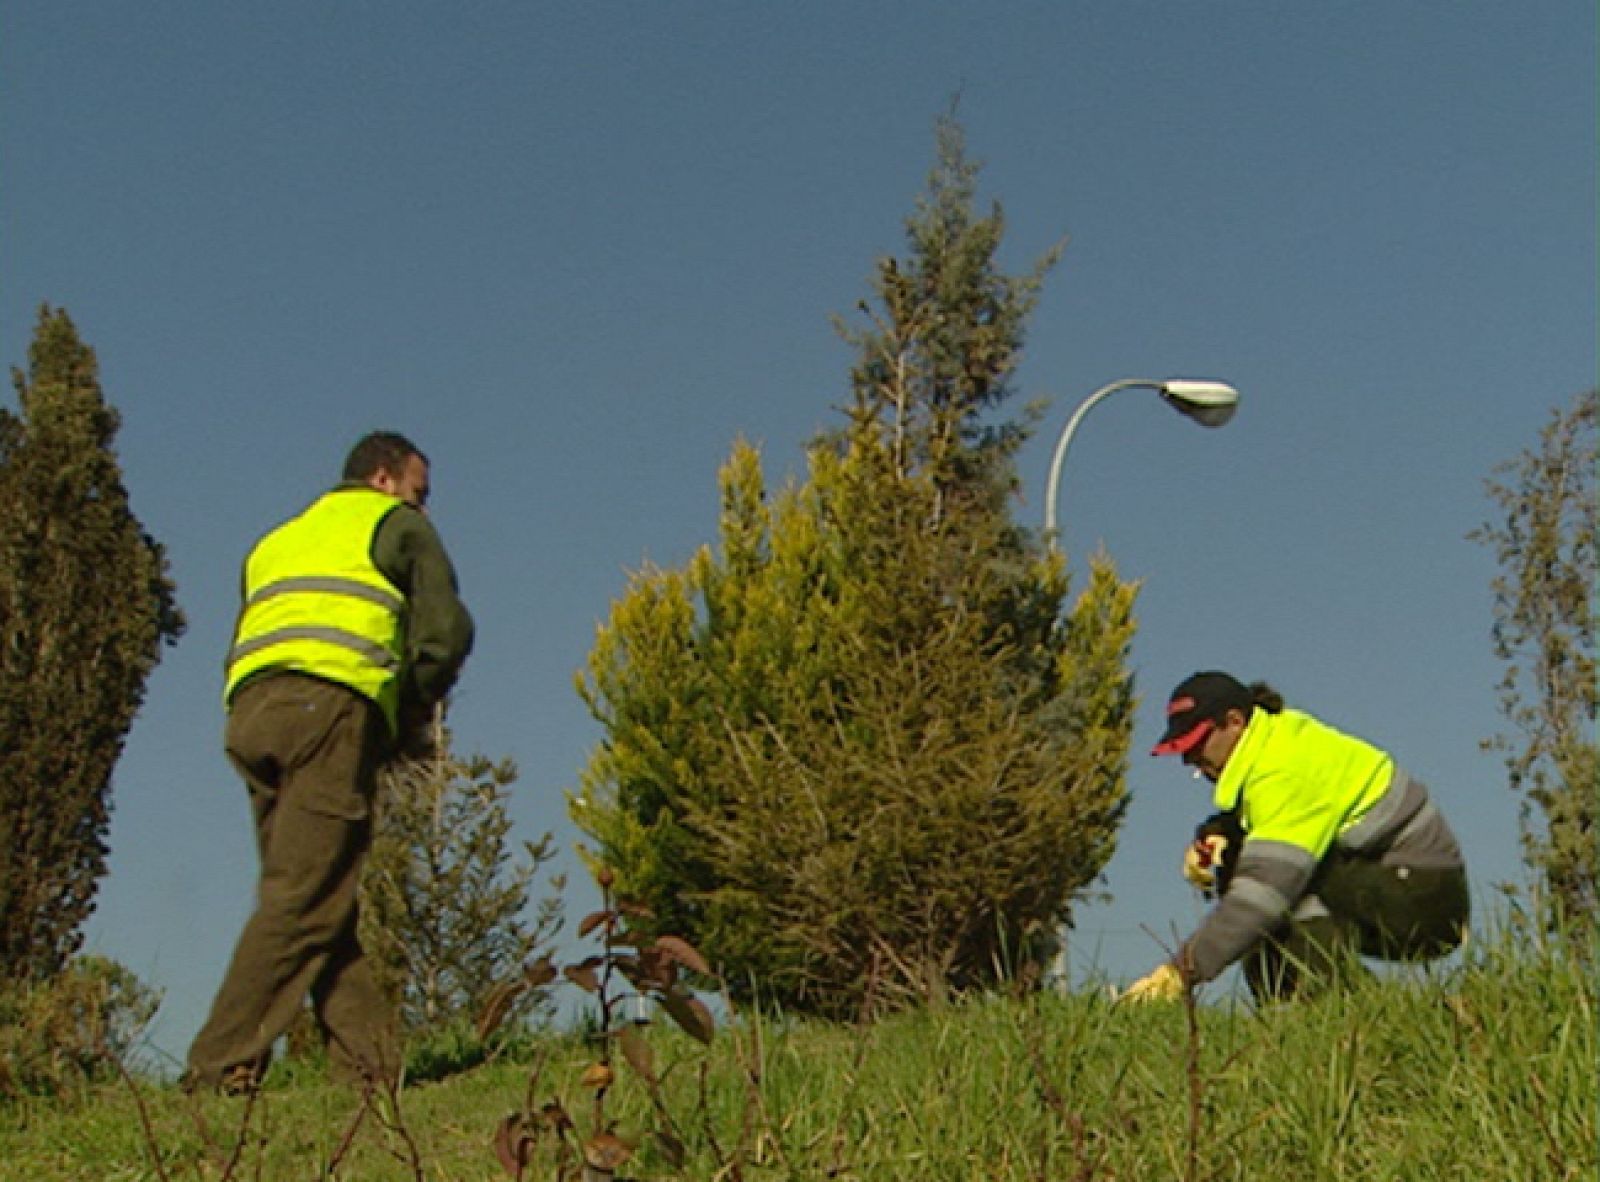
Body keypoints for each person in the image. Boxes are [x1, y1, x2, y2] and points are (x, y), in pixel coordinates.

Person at [185, 431, 474, 1092]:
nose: (423, 508)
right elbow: (445, 632)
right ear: (383, 479)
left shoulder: (278, 540)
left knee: (321, 892)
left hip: (253, 715)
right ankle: (216, 1066)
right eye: (419, 492)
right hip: (331, 710)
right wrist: (408, 714)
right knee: (304, 898)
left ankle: (368, 1072)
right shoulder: (395, 526)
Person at [1121, 671, 1469, 1004]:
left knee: (1268, 895)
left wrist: (1179, 975)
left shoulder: (1283, 771)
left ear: (1234, 722)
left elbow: (1260, 895)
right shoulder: (1273, 741)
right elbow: (1277, 819)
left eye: (1197, 743)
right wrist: (1218, 833)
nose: (1189, 758)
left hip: (1425, 900)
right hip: (1400, 881)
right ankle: (1301, 1014)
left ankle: (1349, 1011)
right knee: (1258, 881)